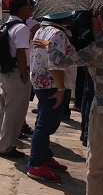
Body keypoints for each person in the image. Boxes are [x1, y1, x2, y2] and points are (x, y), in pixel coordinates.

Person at [33, 3, 103, 195]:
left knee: (97, 166)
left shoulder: (98, 48)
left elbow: (65, 61)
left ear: (101, 20)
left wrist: (48, 46)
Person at [26, 11, 76, 182]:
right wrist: (61, 90)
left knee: (43, 121)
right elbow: (56, 64)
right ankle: (36, 165)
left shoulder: (41, 30)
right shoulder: (58, 34)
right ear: (66, 18)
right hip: (53, 85)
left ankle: (45, 156)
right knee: (45, 126)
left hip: (41, 82)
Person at [0, 0, 34, 158]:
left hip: (6, 72)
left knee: (3, 108)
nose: (31, 10)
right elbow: (21, 53)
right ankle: (5, 147)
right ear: (22, 9)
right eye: (30, 8)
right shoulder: (22, 28)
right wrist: (24, 74)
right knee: (14, 112)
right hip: (17, 73)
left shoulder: (7, 24)